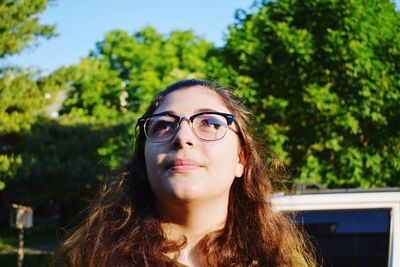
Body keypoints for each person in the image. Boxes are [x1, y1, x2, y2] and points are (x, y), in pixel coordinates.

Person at [51, 79, 315, 267]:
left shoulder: (280, 261)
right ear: (144, 160)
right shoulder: (87, 259)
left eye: (210, 122)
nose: (182, 137)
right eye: (164, 125)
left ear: (241, 160)